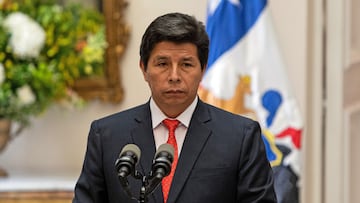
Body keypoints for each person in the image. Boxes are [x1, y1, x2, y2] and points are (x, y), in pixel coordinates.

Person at [73, 12, 277, 203]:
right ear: (144, 69)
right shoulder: (107, 135)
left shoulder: (241, 136)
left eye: (186, 64)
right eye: (162, 64)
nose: (174, 76)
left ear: (203, 70)